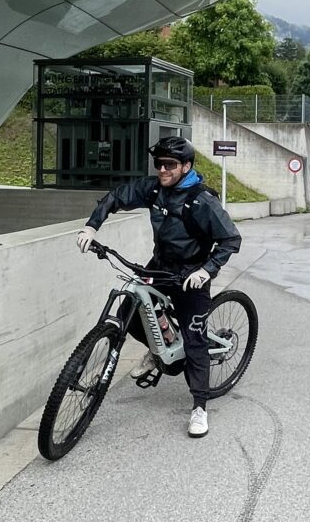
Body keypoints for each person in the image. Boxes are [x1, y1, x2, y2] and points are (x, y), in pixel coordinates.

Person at [77, 136, 241, 438]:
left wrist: (207, 270)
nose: (163, 170)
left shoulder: (202, 200)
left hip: (191, 274)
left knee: (194, 338)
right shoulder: (155, 189)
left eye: (170, 165)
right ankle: (157, 351)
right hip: (161, 266)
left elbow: (231, 239)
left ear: (186, 166)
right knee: (130, 310)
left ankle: (199, 408)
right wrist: (91, 225)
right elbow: (117, 196)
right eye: (159, 164)